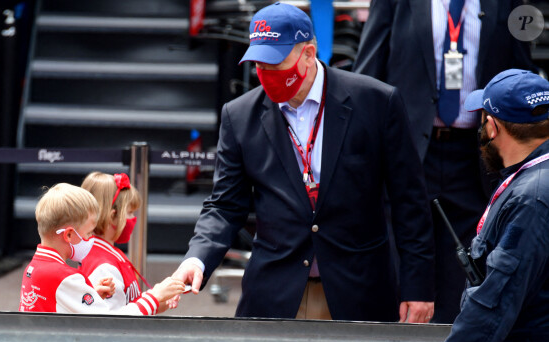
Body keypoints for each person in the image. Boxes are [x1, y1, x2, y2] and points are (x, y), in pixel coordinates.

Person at [172, 2, 435, 322]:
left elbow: (409, 201)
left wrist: (417, 286)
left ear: (309, 54)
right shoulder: (240, 116)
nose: (266, 75)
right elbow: (225, 206)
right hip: (275, 294)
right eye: (259, 65)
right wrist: (196, 259)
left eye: (275, 64)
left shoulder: (376, 102)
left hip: (359, 291)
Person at [353, 0, 536, 323]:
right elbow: (370, 71)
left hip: (478, 155)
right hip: (407, 151)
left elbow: (521, 74)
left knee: (466, 277)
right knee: (399, 272)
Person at [405, 69, 549, 342]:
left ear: (493, 127)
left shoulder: (530, 200)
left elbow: (494, 302)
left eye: (482, 119)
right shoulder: (534, 184)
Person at [19, 183, 185, 314]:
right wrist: (154, 296)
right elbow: (111, 323)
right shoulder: (65, 277)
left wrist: (92, 295)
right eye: (89, 232)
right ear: (69, 235)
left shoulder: (34, 267)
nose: (91, 238)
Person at [80, 172, 179, 312]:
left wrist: (161, 298)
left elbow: (127, 302)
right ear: (112, 216)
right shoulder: (103, 267)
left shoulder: (106, 252)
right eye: (130, 212)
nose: (133, 219)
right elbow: (115, 322)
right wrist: (154, 297)